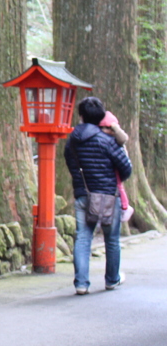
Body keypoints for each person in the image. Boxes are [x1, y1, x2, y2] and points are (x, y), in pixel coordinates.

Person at [64, 96, 132, 295]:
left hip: (83, 194)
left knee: (83, 239)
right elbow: (126, 169)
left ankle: (81, 284)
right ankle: (112, 279)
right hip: (109, 196)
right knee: (112, 240)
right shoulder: (107, 140)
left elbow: (71, 163)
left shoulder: (73, 141)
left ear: (81, 116)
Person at [99, 111, 134, 223]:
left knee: (119, 186)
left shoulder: (117, 138)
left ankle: (125, 207)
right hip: (110, 166)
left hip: (118, 165)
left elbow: (124, 138)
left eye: (107, 129)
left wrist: (115, 128)